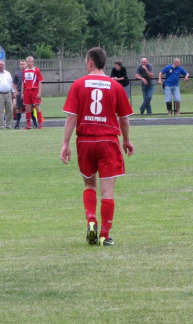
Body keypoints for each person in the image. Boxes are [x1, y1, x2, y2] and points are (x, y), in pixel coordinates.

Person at [60, 47, 134, 247]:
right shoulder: (115, 86)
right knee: (107, 191)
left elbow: (71, 117)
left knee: (90, 185)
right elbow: (124, 119)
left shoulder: (78, 84)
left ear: (90, 62)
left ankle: (91, 221)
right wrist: (126, 140)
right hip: (108, 141)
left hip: (85, 141)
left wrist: (65, 144)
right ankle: (104, 235)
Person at [0, 61, 15, 129]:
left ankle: (8, 124)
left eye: (1, 65)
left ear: (4, 66)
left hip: (8, 93)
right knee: (0, 110)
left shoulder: (8, 73)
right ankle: (1, 125)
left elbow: (11, 83)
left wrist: (13, 92)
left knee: (10, 110)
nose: (0, 66)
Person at [13, 60, 37, 129]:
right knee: (19, 108)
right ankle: (17, 124)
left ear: (26, 64)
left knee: (30, 108)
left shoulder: (30, 72)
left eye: (23, 64)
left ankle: (34, 123)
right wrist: (16, 92)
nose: (22, 65)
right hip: (20, 93)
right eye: (21, 64)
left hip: (29, 92)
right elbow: (14, 84)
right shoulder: (17, 74)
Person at [22, 56, 44, 129]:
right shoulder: (25, 71)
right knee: (27, 107)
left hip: (34, 90)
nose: (28, 63)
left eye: (30, 61)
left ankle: (40, 124)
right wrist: (22, 93)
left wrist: (39, 93)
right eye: (27, 61)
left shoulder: (36, 70)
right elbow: (23, 83)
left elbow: (40, 81)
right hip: (27, 91)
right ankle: (28, 125)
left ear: (33, 62)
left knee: (37, 106)